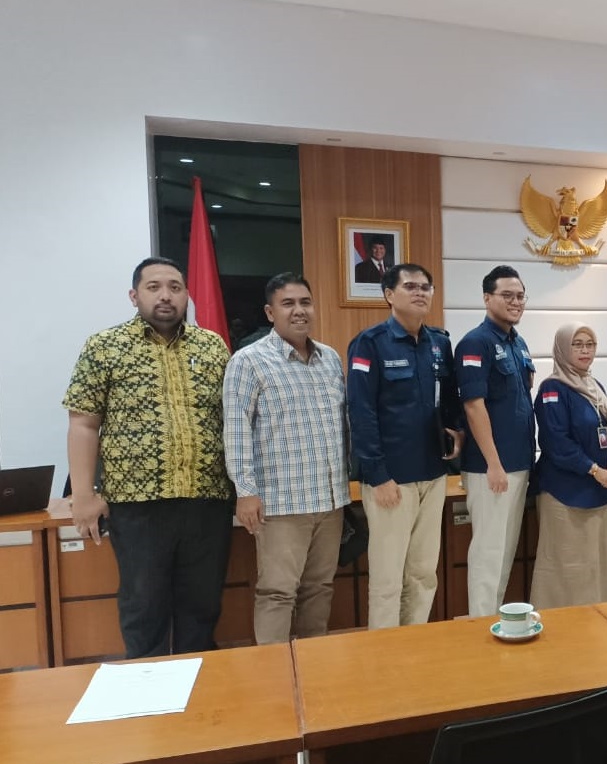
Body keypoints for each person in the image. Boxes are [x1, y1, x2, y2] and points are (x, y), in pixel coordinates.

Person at [64, 257, 233, 658]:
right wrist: (84, 495)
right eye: (154, 287)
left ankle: (201, 680)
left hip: (206, 499)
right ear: (134, 295)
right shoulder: (105, 346)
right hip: (137, 505)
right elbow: (83, 424)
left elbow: (234, 421)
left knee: (203, 605)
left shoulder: (212, 347)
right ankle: (148, 682)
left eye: (175, 287)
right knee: (144, 606)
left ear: (187, 295)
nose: (165, 296)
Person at [223, 273, 349, 644]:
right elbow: (236, 430)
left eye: (305, 302)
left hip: (330, 500)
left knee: (320, 587)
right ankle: (273, 670)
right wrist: (245, 491)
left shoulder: (329, 358)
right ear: (270, 312)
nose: (299, 311)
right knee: (278, 592)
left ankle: (312, 664)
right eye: (288, 304)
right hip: (281, 503)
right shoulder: (249, 362)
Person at [348, 264, 464, 629]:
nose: (420, 292)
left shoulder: (439, 343)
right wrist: (377, 475)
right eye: (410, 286)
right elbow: (361, 413)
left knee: (423, 573)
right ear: (388, 294)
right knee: (388, 579)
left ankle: (413, 644)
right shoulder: (370, 343)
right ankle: (384, 652)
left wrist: (457, 431)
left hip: (433, 474)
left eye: (426, 287)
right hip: (391, 480)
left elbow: (449, 398)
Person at [456, 265, 536, 616]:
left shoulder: (517, 343)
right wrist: (493, 463)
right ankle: (480, 624)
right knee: (488, 553)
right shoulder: (476, 343)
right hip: (492, 468)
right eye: (507, 295)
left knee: (504, 553)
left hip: (518, 463)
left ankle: (495, 620)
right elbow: (474, 406)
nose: (515, 302)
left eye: (520, 296)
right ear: (487, 298)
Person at [529, 323, 607, 608]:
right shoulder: (552, 389)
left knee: (599, 564)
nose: (585, 350)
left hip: (602, 489)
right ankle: (563, 626)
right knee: (566, 567)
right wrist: (594, 469)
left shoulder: (595, 387)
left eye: (590, 344)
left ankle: (598, 622)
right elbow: (556, 441)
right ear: (562, 348)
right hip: (565, 493)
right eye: (577, 344)